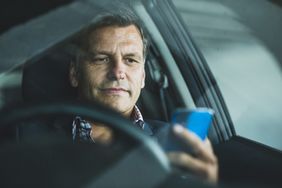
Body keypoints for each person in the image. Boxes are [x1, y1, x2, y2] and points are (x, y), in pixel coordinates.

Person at [68, 8, 218, 184]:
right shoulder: (30, 135)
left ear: (143, 78)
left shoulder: (173, 143)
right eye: (102, 59)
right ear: (74, 74)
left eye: (130, 60)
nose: (118, 72)